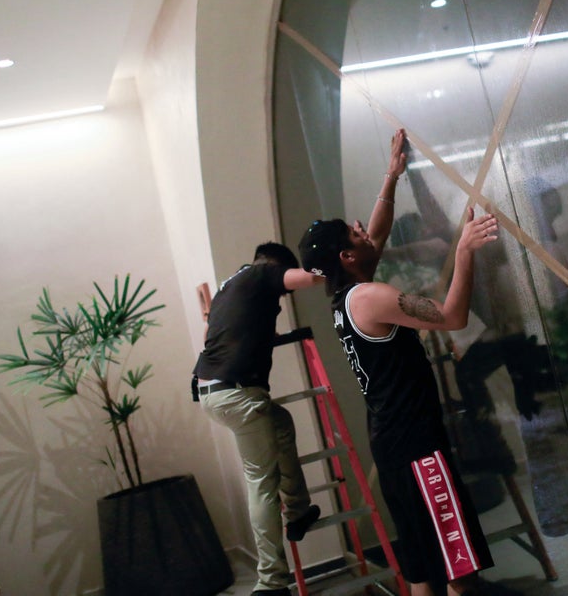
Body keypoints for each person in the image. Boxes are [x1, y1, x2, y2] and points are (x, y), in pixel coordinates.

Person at [299, 128, 502, 596]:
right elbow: (451, 317)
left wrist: (392, 176)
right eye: (354, 232)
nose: (364, 228)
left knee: (422, 569)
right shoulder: (371, 296)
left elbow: (378, 231)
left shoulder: (346, 294)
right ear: (348, 256)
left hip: (393, 444)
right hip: (417, 447)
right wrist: (465, 250)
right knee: (457, 570)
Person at [192, 241, 324, 596]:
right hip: (238, 393)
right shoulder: (265, 272)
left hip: (212, 391)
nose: (281, 297)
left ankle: (297, 510)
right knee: (261, 483)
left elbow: (213, 335)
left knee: (280, 423)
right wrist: (334, 263)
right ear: (276, 266)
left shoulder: (228, 286)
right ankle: (271, 583)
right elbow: (309, 278)